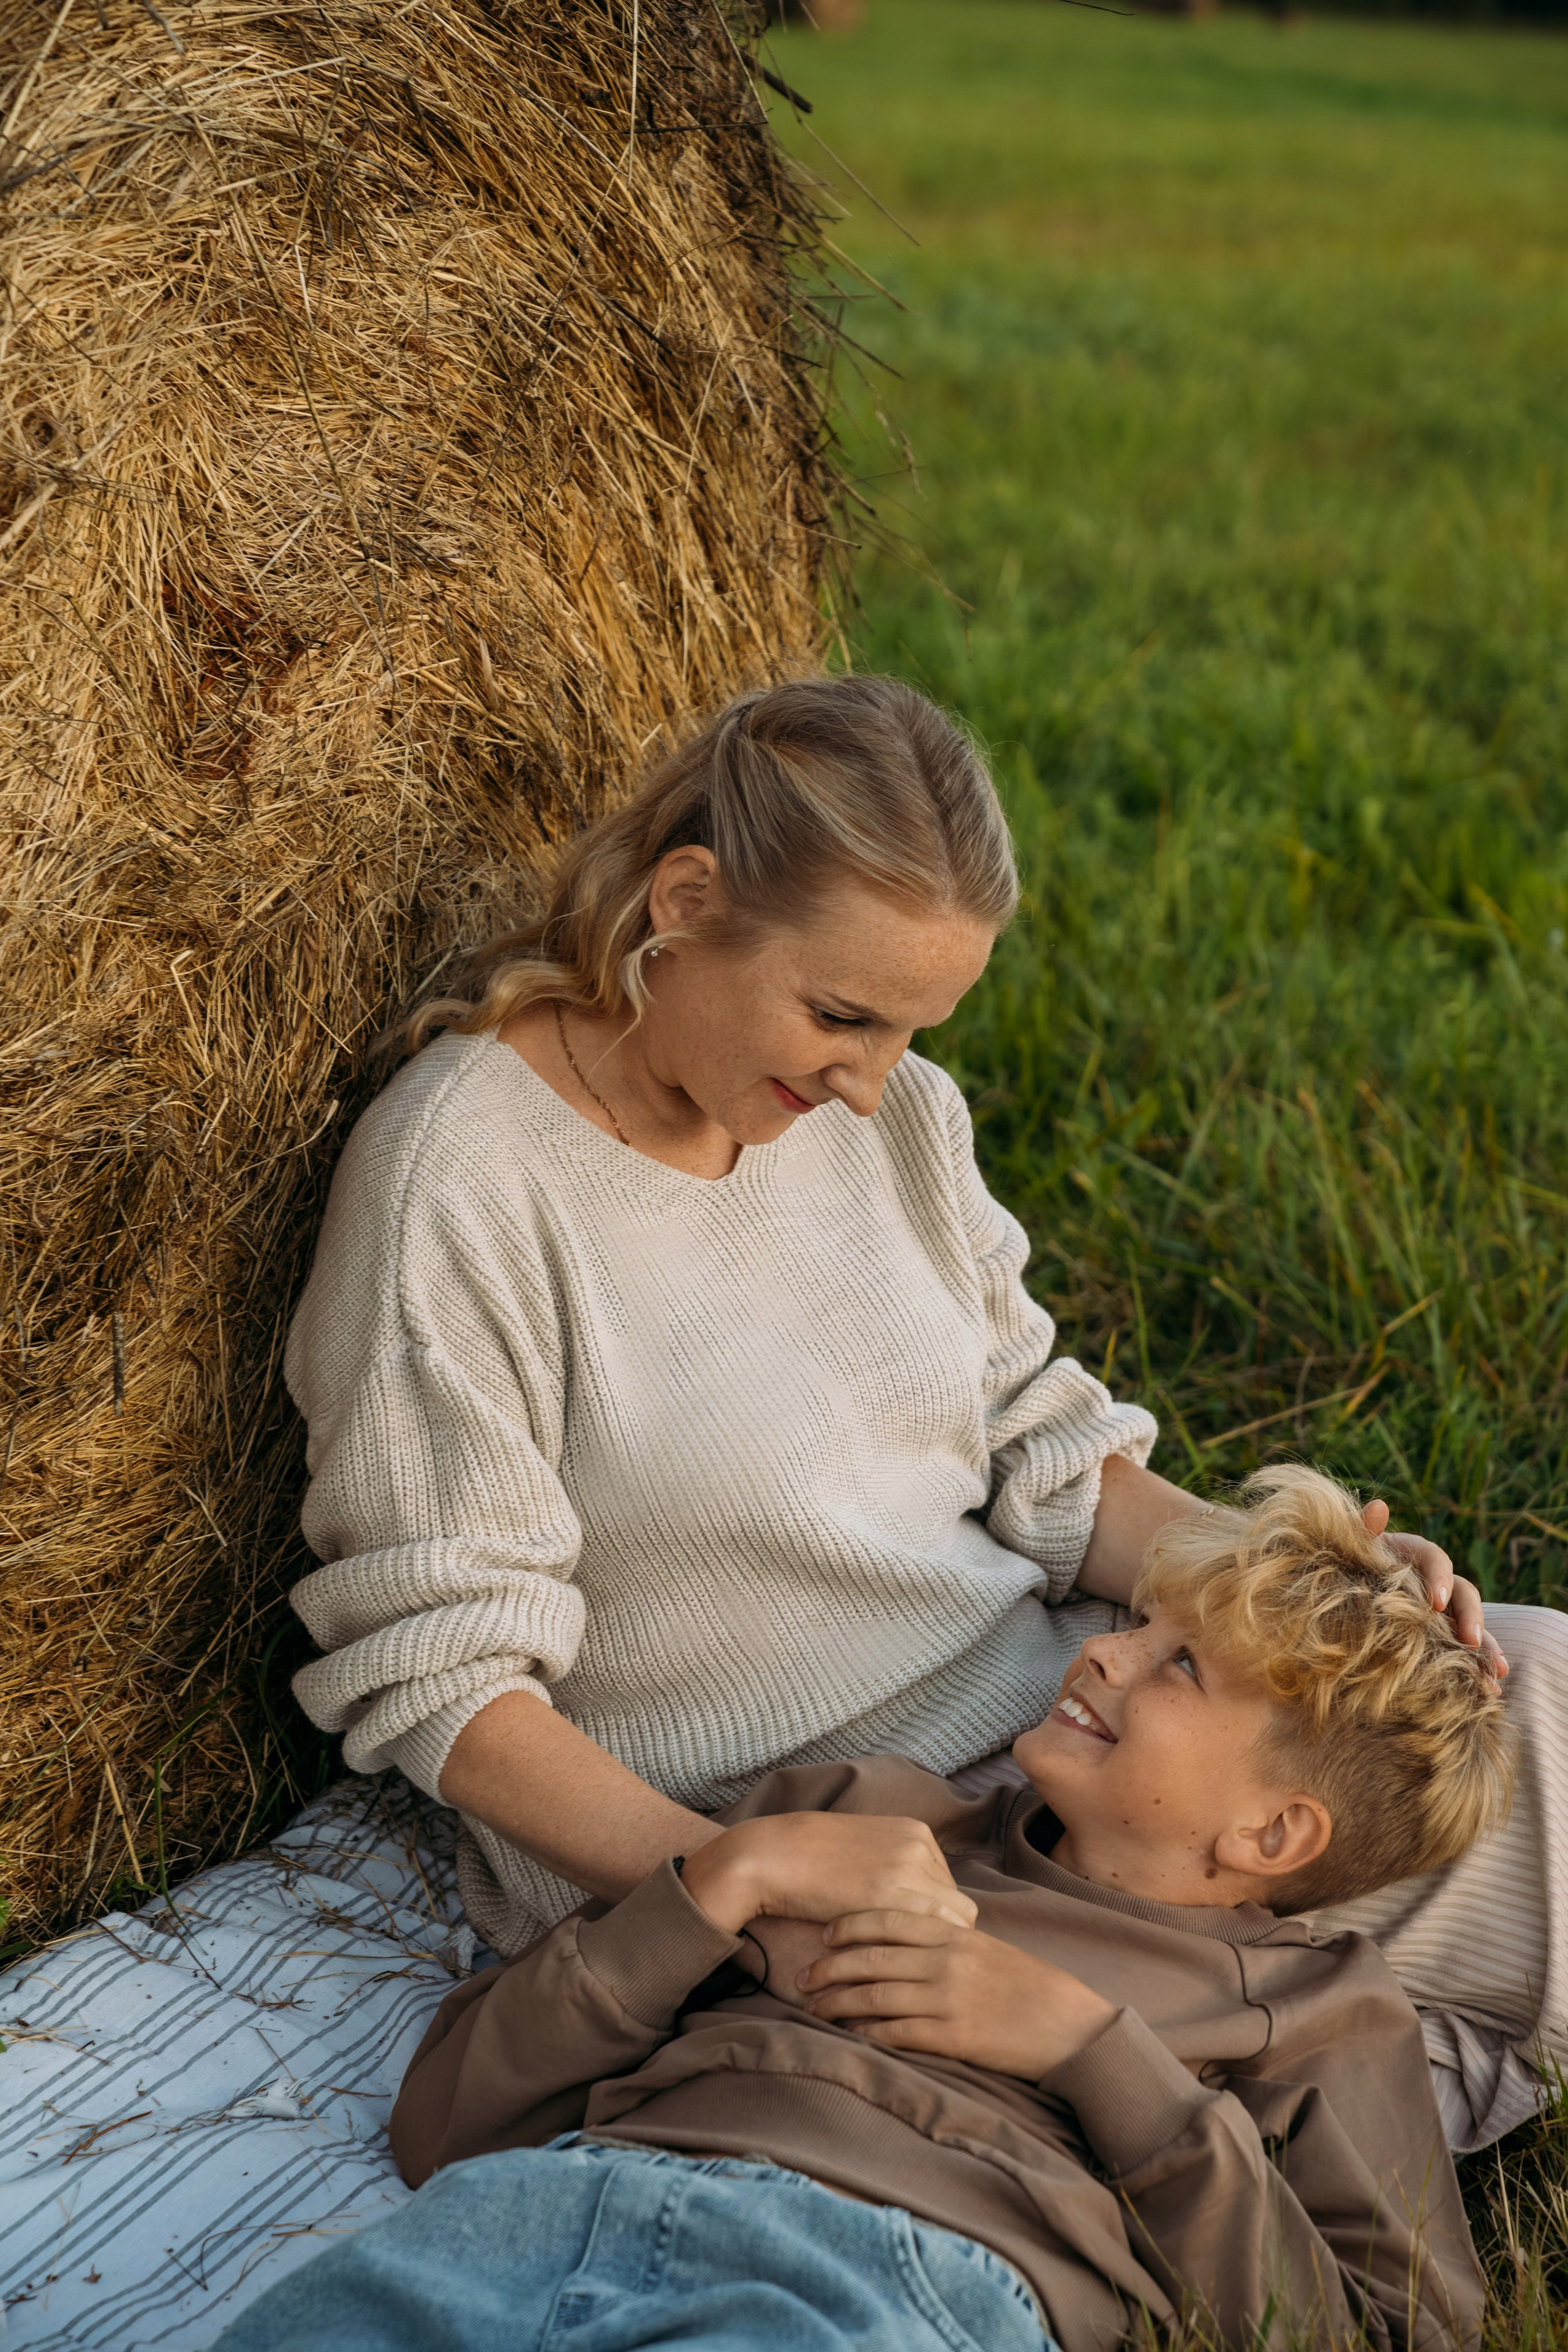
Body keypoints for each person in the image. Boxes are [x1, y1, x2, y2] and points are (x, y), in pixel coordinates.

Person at [282, 674, 1491, 1970]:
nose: (869, 1088)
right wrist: (731, 1885)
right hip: (783, 1828)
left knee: (1531, 1697)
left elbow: (1043, 1458)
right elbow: (445, 1675)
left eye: (911, 1030)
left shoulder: (898, 1113)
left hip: (1072, 1735)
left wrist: (1305, 1593)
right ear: (682, 905)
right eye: (840, 1017)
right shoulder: (460, 1179)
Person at [216, 1468, 1515, 2352]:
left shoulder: (1319, 2011)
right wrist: (718, 1882)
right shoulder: (867, 1809)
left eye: (1177, 1663)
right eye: (1135, 1620)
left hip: (896, 2292)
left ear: (1270, 1832)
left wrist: (1094, 2056)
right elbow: (443, 2124)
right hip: (546, 2215)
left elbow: (1373, 2330)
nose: (1102, 1650)